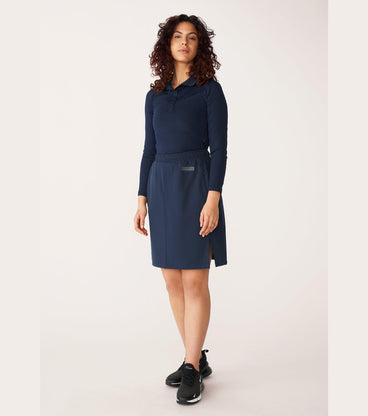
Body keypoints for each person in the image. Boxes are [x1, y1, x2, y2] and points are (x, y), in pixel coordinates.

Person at [133, 14, 228, 405]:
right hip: (161, 186)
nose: (184, 42)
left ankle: (191, 367)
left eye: (191, 37)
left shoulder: (209, 91)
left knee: (194, 281)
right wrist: (142, 197)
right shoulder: (154, 95)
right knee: (172, 279)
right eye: (177, 36)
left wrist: (213, 197)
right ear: (167, 44)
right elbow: (149, 149)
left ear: (199, 46)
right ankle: (196, 356)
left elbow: (219, 149)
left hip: (196, 185)